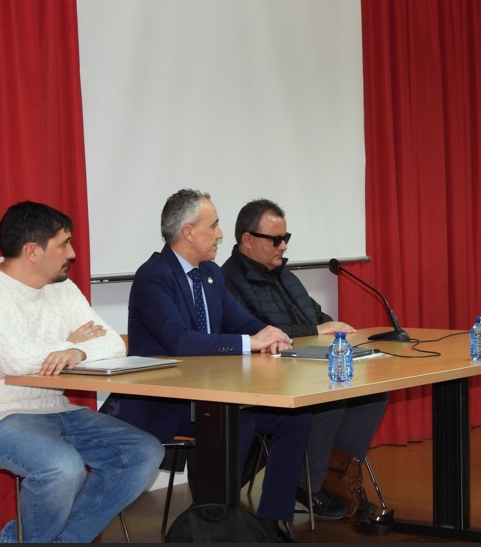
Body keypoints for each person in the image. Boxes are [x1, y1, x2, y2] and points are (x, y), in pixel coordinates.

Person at [98, 189, 311, 542]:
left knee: (295, 417)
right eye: (213, 226)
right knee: (235, 423)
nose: (220, 234)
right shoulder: (154, 276)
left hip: (214, 395)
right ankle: (215, 523)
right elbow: (180, 340)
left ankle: (270, 521)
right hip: (168, 400)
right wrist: (249, 343)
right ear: (188, 231)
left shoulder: (210, 273)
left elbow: (240, 322)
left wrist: (266, 332)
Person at [0, 201, 164, 543]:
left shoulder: (62, 289)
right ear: (32, 251)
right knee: (62, 469)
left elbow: (113, 344)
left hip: (55, 408)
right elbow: (14, 360)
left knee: (144, 452)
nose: (72, 253)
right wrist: (66, 340)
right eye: (64, 243)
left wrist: (76, 350)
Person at [221, 198, 388, 520]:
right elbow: (256, 332)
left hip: (304, 366)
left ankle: (333, 476)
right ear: (247, 239)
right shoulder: (228, 281)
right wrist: (315, 328)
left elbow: (318, 317)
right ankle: (304, 486)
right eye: (275, 239)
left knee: (371, 393)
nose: (282, 246)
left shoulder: (286, 277)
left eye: (286, 238)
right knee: (330, 400)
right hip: (266, 378)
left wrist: (339, 333)